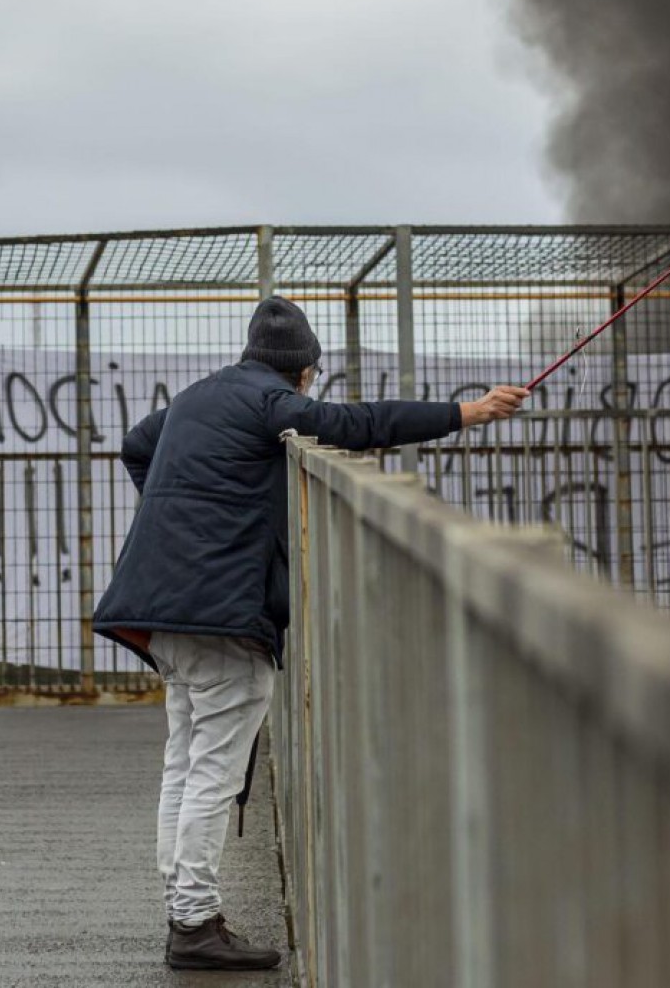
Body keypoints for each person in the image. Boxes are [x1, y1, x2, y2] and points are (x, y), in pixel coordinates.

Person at [93, 296, 528, 971]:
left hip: (162, 610)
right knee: (212, 767)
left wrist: (184, 515)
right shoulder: (273, 403)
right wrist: (467, 412)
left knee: (185, 759)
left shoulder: (199, 397)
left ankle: (185, 906)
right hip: (219, 616)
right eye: (313, 380)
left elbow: (134, 446)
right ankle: (194, 924)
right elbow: (353, 424)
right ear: (304, 372)